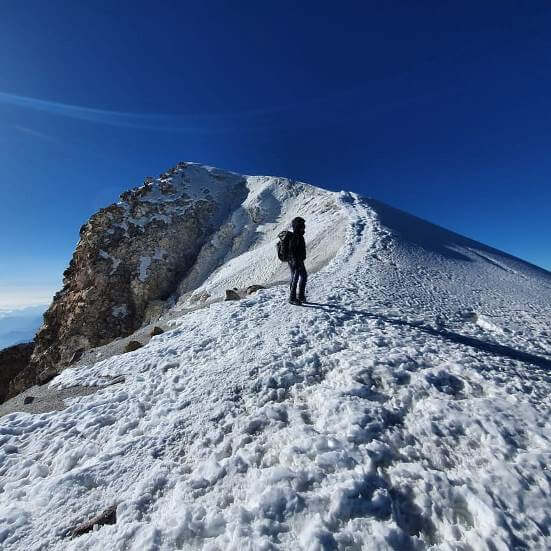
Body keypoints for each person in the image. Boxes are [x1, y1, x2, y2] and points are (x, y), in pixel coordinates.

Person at [288, 217, 308, 305]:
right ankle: (292, 298)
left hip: (298, 260)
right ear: (298, 227)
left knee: (303, 276)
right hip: (295, 261)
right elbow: (292, 250)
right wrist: (295, 261)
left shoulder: (299, 236)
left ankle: (300, 296)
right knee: (295, 278)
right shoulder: (296, 237)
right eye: (302, 226)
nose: (304, 227)